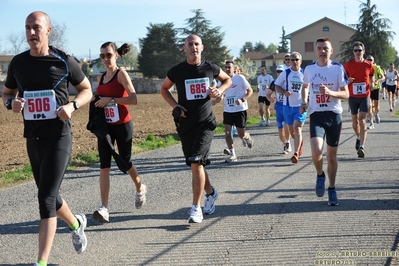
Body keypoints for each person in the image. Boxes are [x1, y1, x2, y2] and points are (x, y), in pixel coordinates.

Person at [2, 11, 92, 266]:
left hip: (59, 137)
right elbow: (7, 93)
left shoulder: (64, 61)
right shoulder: (18, 64)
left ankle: (40, 263)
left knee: (45, 199)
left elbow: (87, 89)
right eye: (28, 28)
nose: (31, 33)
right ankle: (76, 224)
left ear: (48, 31)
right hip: (33, 137)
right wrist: (11, 104)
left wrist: (72, 107)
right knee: (48, 194)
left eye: (36, 28)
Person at [160, 34, 231, 223]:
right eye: (190, 44)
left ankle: (195, 208)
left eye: (197, 44)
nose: (194, 47)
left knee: (196, 162)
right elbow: (164, 89)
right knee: (195, 165)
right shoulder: (177, 71)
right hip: (185, 125)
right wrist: (175, 106)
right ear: (184, 48)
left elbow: (227, 80)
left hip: (206, 123)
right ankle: (211, 193)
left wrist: (220, 91)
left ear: (202, 47)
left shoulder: (210, 68)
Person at [91, 42, 147, 223]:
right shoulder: (100, 78)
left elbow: (134, 99)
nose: (105, 59)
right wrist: (96, 100)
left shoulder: (121, 74)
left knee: (125, 161)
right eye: (102, 56)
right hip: (105, 127)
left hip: (123, 125)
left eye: (108, 55)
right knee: (104, 166)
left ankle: (140, 188)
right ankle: (104, 208)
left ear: (116, 55)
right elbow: (100, 97)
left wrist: (111, 99)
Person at [301, 37, 349, 206]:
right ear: (316, 51)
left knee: (332, 156)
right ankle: (320, 174)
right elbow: (305, 86)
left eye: (325, 48)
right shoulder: (309, 69)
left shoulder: (337, 69)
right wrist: (304, 102)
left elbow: (346, 94)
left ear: (331, 50)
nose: (322, 51)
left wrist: (330, 92)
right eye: (319, 48)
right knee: (316, 152)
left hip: (334, 115)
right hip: (317, 115)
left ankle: (332, 188)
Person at [213, 60, 254, 163]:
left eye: (229, 67)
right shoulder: (222, 81)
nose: (227, 69)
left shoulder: (240, 78)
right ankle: (233, 154)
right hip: (228, 110)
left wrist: (242, 99)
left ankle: (246, 136)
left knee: (241, 134)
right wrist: (215, 101)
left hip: (240, 110)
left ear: (234, 68)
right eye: (225, 67)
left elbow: (250, 91)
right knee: (227, 133)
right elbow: (220, 95)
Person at [344, 41, 374, 158]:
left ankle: (362, 146)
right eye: (355, 50)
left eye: (359, 50)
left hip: (364, 96)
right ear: (353, 52)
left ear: (363, 52)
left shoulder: (368, 64)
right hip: (352, 96)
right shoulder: (348, 65)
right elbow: (343, 79)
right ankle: (358, 137)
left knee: (362, 121)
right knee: (355, 123)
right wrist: (348, 81)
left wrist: (371, 83)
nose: (357, 52)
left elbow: (371, 74)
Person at [275, 52, 306, 163]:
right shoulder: (285, 73)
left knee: (297, 129)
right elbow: (277, 86)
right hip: (287, 106)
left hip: (300, 106)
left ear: (300, 61)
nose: (294, 62)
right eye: (292, 60)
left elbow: (310, 88)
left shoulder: (305, 73)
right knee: (292, 132)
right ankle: (299, 143)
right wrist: (284, 92)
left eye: (296, 59)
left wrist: (306, 102)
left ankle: (296, 153)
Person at [266, 65, 292, 154]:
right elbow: (268, 94)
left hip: (287, 106)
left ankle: (288, 142)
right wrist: (271, 99)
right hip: (279, 107)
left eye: (281, 71)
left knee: (286, 125)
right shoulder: (274, 83)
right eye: (278, 71)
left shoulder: (289, 81)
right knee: (280, 128)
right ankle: (285, 144)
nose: (279, 73)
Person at [365, 55, 385, 128]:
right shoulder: (364, 67)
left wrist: (378, 81)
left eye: (371, 60)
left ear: (373, 61)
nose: (369, 61)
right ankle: (371, 122)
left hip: (376, 88)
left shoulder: (376, 68)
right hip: (368, 89)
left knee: (376, 107)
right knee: (369, 105)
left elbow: (383, 77)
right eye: (368, 59)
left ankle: (376, 114)